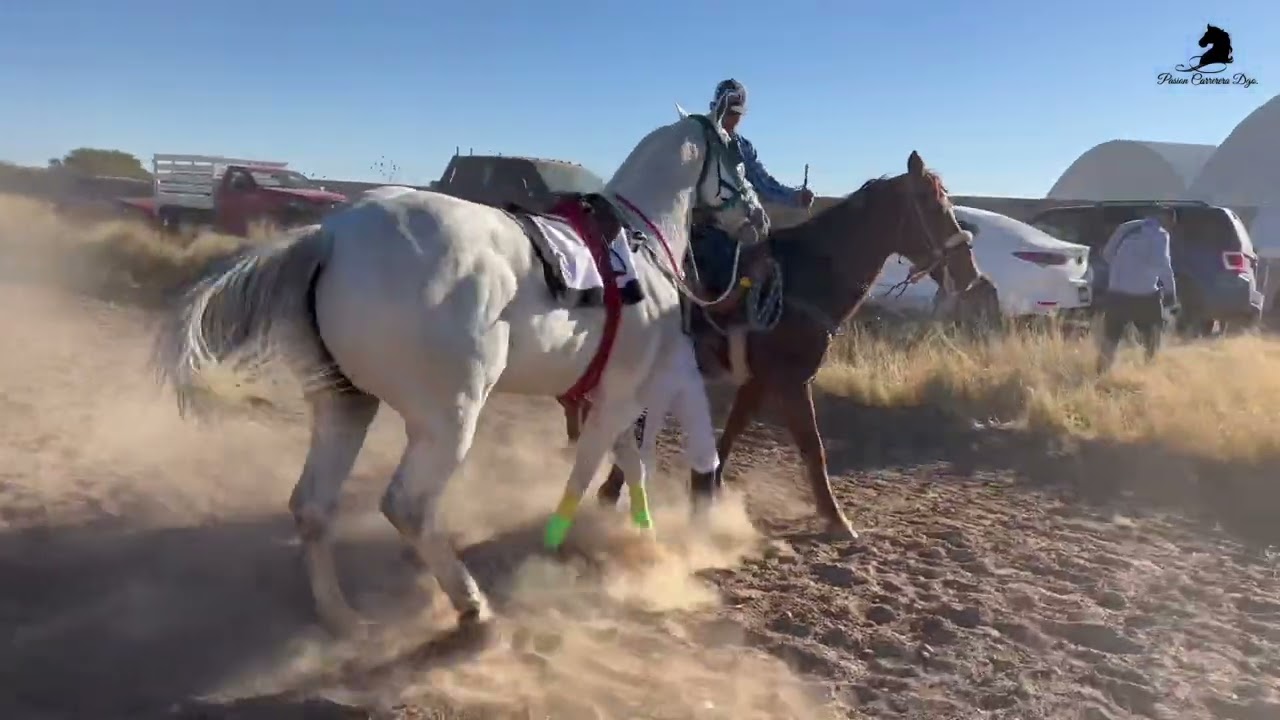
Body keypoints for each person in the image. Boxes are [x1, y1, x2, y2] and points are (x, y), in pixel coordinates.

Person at [690, 78, 814, 373]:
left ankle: (752, 341)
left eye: (735, 113)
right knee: (719, 266)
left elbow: (763, 183)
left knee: (768, 264)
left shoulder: (744, 148)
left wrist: (796, 197)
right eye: (726, 112)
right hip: (703, 227)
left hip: (738, 227)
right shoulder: (700, 141)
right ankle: (700, 339)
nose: (730, 119)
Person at [1095, 206, 1179, 373]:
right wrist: (1170, 292)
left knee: (1111, 338)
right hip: (1144, 295)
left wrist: (1124, 268)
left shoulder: (1126, 227)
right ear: (1167, 220)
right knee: (1152, 337)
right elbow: (1162, 265)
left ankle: (1100, 374)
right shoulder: (1160, 235)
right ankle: (1149, 371)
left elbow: (1106, 254)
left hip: (1116, 293)